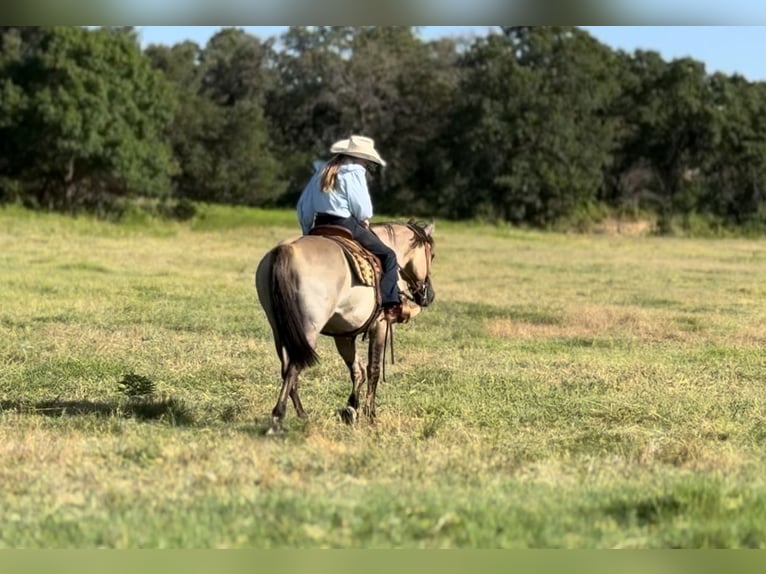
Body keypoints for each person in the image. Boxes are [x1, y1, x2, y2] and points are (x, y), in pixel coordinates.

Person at [297, 134, 407, 323]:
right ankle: (390, 305)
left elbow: (303, 207)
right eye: (366, 160)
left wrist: (307, 232)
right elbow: (363, 208)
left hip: (319, 224)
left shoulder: (322, 171)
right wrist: (364, 219)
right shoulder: (354, 171)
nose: (366, 163)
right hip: (344, 225)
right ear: (360, 157)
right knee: (389, 256)